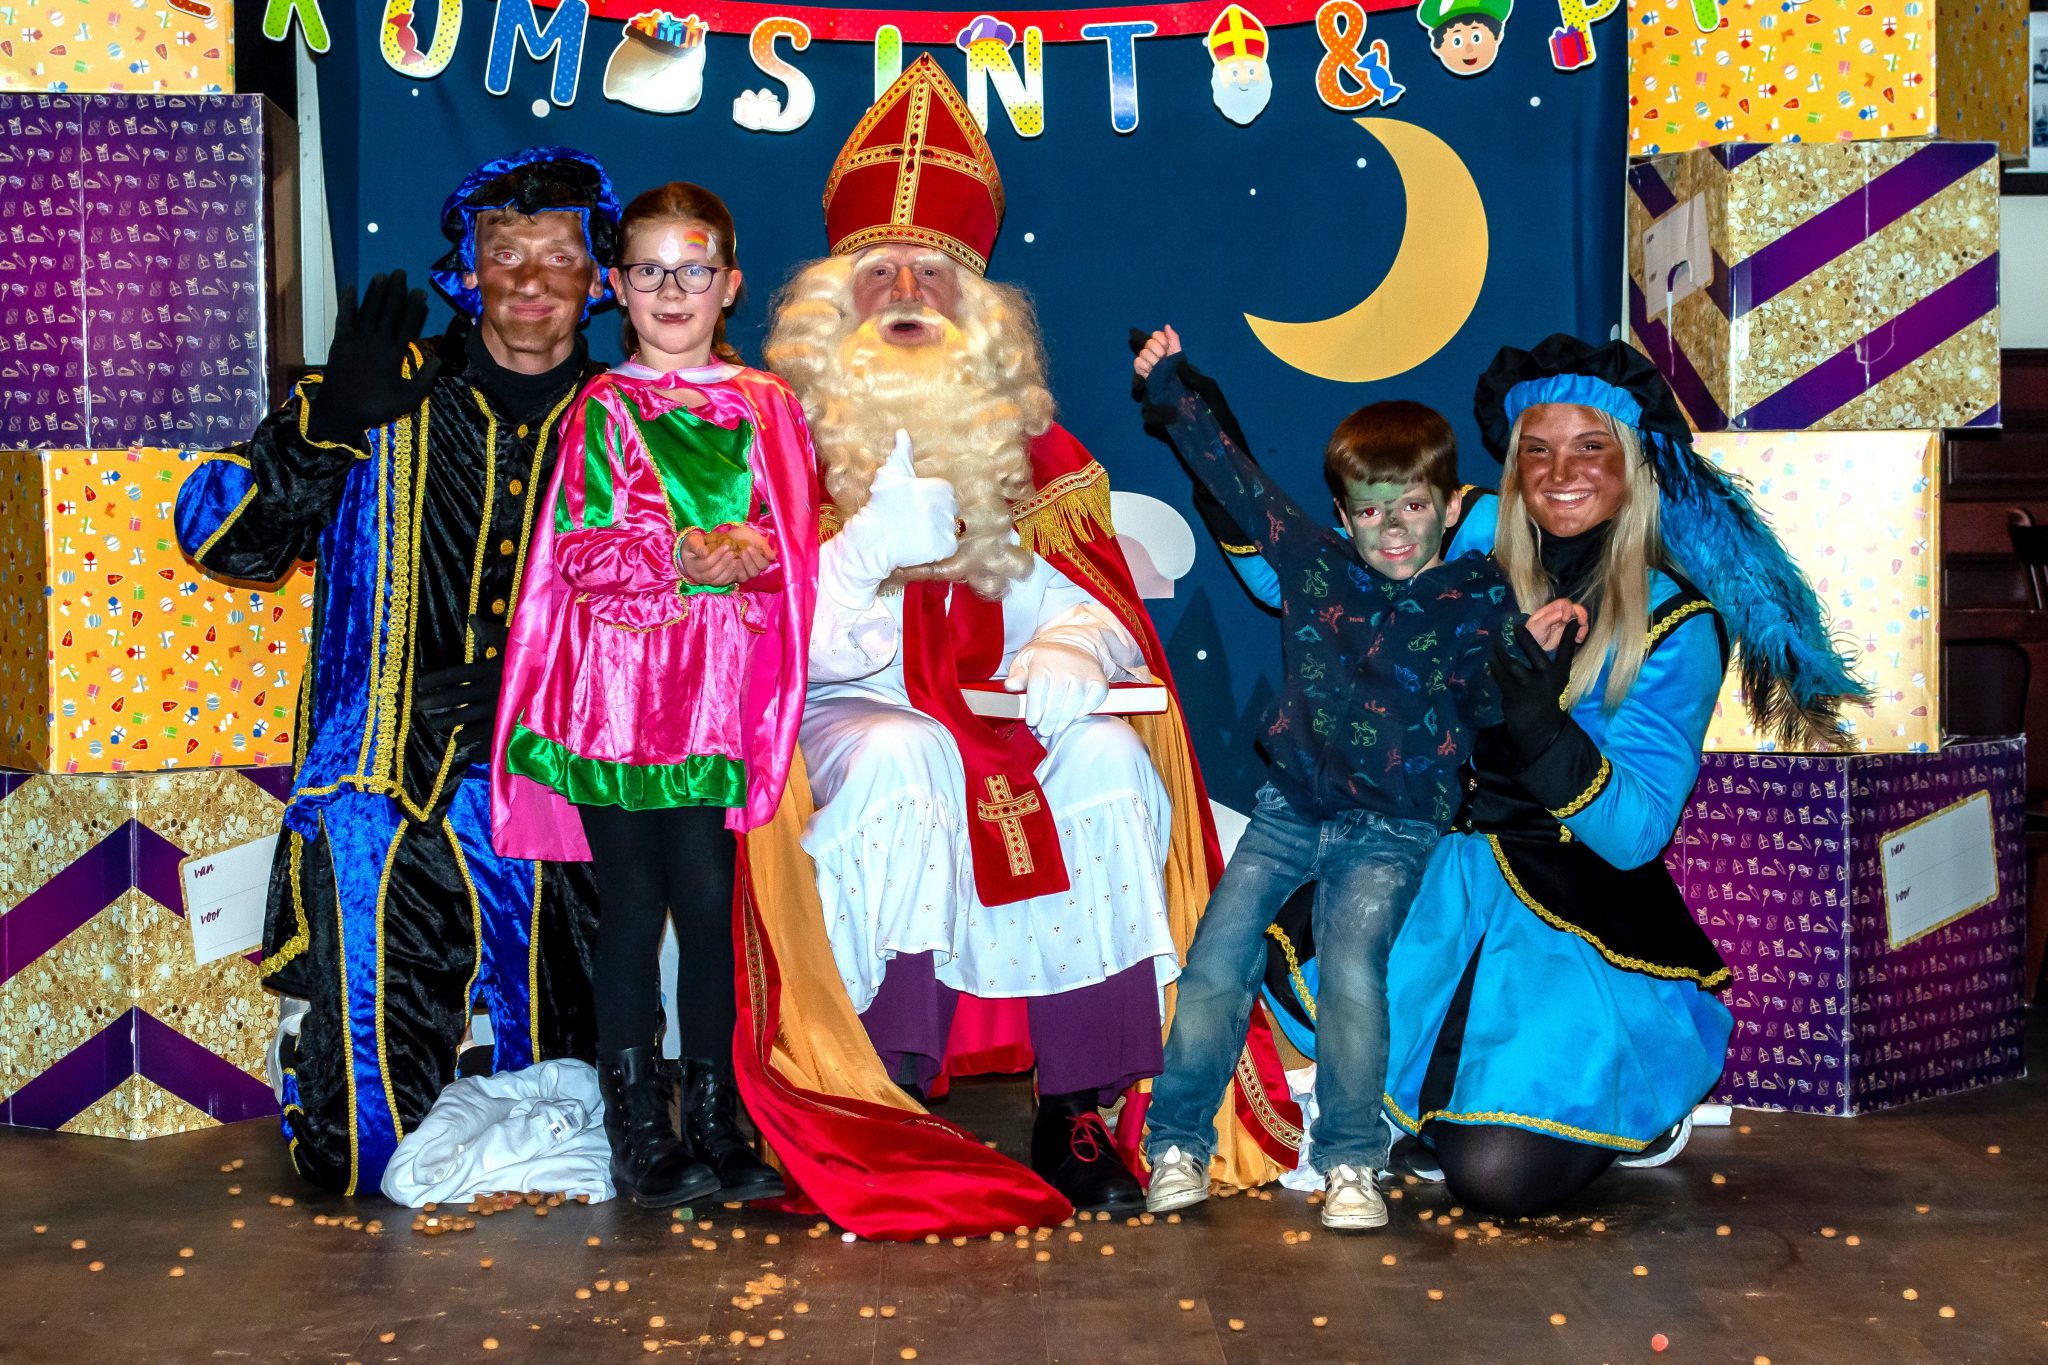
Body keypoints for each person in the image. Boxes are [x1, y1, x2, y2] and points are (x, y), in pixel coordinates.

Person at [752, 54, 1301, 1213]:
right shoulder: (776, 439)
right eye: (880, 270)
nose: (907, 289)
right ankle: (882, 1086)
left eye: (934, 273)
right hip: (843, 716)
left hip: (994, 716)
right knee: (907, 755)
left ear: (978, 311)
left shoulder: (1030, 452)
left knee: (1101, 759)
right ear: (835, 300)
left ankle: (1080, 1103)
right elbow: (770, 645)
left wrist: (1072, 649)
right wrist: (864, 553)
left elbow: (1088, 606)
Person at [174, 147, 621, 1195]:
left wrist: (550, 677)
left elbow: (687, 621)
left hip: (555, 784)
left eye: (558, 255)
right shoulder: (385, 389)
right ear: (465, 271)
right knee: (354, 1162)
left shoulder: (628, 419)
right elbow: (220, 537)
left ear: (599, 278)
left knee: (568, 1119)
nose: (530, 279)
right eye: (504, 253)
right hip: (379, 783)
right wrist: (326, 424)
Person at [1381, 334, 1867, 1216]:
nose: (1561, 472)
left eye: (1590, 446)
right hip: (1443, 888)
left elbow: (1637, 831)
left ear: (1634, 462)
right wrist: (1205, 441)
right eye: (1537, 450)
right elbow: (1314, 576)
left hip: (1577, 912)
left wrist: (1538, 721)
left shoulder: (1678, 622)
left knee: (1493, 1176)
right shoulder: (1477, 544)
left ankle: (1638, 1104)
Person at [1128, 327, 1545, 1229]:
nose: (1391, 529)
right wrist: (1172, 387)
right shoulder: (1316, 565)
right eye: (1369, 511)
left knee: (1354, 963)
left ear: (1450, 505)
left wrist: (1526, 656)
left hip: (1394, 823)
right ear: (1343, 514)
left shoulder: (1478, 594)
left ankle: (1352, 1159)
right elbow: (1238, 481)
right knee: (1215, 960)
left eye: (1411, 507)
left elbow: (1486, 712)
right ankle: (1177, 1142)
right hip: (1290, 809)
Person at [490, 183, 814, 1209]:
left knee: (710, 904)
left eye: (693, 270)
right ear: (617, 288)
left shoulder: (766, 404)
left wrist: (751, 550)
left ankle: (717, 1117)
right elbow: (580, 550)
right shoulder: (603, 407)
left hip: (716, 692)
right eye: (649, 271)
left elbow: (796, 542)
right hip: (622, 697)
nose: (672, 291)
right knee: (632, 906)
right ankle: (638, 1124)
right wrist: (678, 554)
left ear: (730, 285)